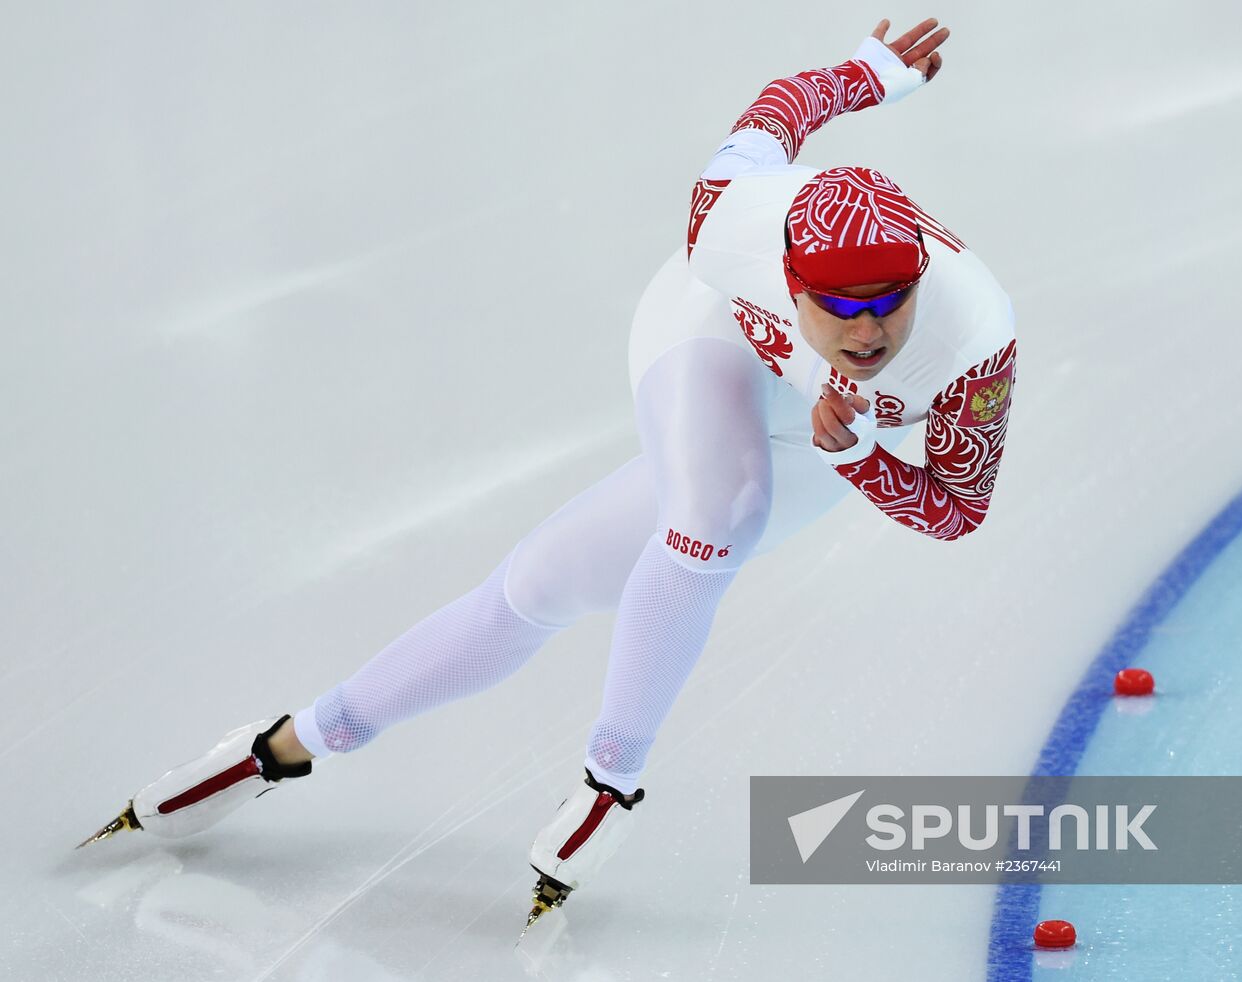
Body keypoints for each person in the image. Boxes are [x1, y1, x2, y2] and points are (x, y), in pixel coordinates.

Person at [81, 16, 1016, 930]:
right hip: (711, 341)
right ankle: (611, 779)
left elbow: (956, 512)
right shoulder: (728, 223)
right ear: (792, 283)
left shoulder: (971, 342)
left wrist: (850, 450)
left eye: (891, 299)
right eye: (843, 305)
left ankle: (280, 747)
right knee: (719, 508)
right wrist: (865, 72)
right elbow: (777, 113)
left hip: (834, 439)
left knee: (533, 587)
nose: (869, 330)